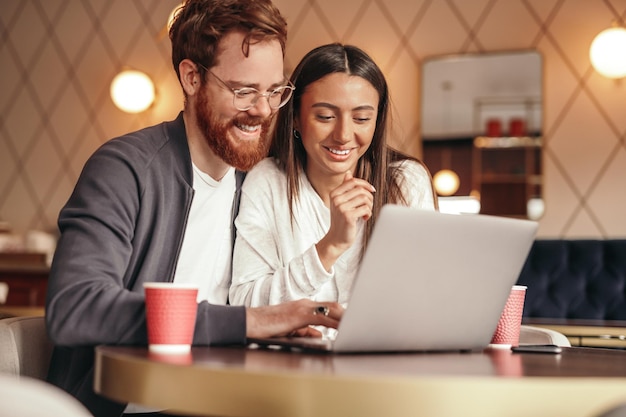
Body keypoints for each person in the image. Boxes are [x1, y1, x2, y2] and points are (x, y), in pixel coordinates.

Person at [44, 2, 342, 417]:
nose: (262, 110)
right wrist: (248, 322)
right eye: (243, 91)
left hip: (227, 402)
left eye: (274, 91)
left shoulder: (257, 182)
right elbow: (75, 308)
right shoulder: (125, 168)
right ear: (191, 77)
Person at [229, 43, 438, 308]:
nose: (343, 136)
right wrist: (330, 246)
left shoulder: (406, 182)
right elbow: (245, 305)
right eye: (325, 116)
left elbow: (427, 296)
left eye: (361, 118)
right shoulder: (267, 182)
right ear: (295, 117)